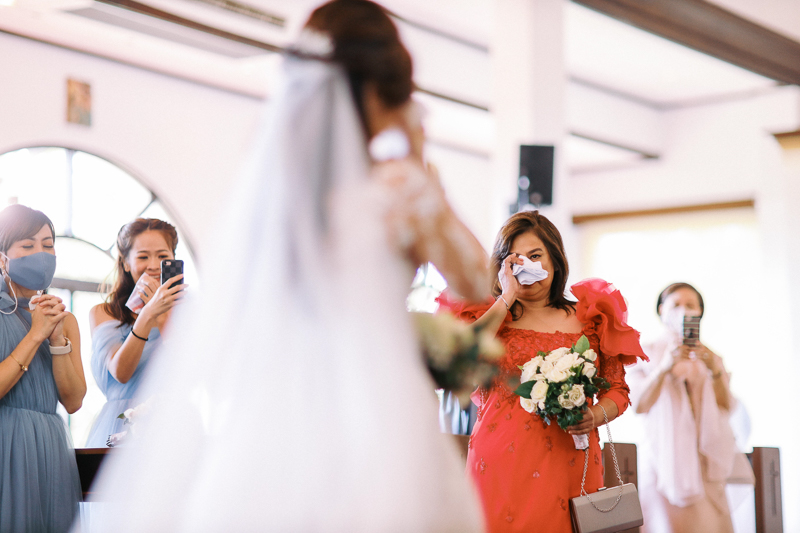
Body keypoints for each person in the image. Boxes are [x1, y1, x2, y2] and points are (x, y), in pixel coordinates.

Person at [86, 1, 489, 531]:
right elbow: (475, 280)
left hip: (276, 414)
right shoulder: (400, 188)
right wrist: (417, 160)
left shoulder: (273, 201)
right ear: (383, 88)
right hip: (378, 408)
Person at [438, 210, 647, 532]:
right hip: (500, 460)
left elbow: (618, 391)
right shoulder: (489, 315)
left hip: (572, 462)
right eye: (516, 260)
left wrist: (594, 415)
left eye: (535, 256)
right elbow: (458, 359)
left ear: (555, 259)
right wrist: (506, 298)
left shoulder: (592, 317)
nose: (527, 266)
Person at [629, 283, 753, 533]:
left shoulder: (711, 357)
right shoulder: (644, 353)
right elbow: (639, 405)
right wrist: (665, 367)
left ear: (700, 313)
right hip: (663, 460)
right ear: (662, 310)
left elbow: (726, 406)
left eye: (690, 305)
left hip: (705, 460)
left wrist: (714, 369)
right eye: (676, 305)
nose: (683, 311)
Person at [0, 204, 85, 532]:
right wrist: (35, 335)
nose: (41, 254)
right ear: (3, 259)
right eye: (28, 245)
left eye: (48, 245)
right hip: (6, 442)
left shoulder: (65, 319)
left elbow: (74, 401)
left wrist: (57, 338)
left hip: (48, 448)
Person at [84, 218, 184, 447]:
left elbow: (192, 374)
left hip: (174, 423)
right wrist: (148, 315)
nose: (153, 265)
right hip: (121, 423)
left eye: (163, 256)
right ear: (126, 263)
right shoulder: (104, 313)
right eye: (143, 257)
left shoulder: (187, 311)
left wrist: (165, 318)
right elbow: (121, 372)